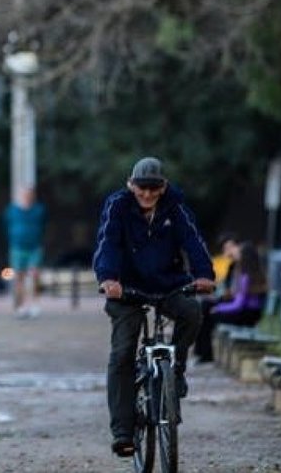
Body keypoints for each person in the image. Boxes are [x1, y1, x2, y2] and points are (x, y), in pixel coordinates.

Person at [93, 156, 216, 460]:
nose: (147, 194)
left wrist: (204, 275)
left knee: (192, 311)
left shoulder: (175, 206)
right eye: (141, 188)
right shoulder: (118, 206)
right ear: (130, 185)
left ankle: (175, 371)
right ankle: (123, 431)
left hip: (166, 284)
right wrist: (108, 278)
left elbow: (193, 241)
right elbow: (107, 242)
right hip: (126, 288)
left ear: (163, 187)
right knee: (123, 352)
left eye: (153, 188)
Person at [195, 240, 268, 362]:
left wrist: (219, 308)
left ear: (245, 257)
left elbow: (239, 305)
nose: (236, 256)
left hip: (246, 314)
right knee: (207, 308)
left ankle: (205, 354)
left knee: (209, 315)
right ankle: (203, 353)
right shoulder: (254, 274)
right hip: (250, 313)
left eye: (239, 254)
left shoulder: (246, 277)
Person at [3, 185, 48, 318]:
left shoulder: (39, 210)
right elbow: (6, 226)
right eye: (24, 194)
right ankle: (20, 306)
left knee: (35, 274)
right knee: (18, 278)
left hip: (34, 248)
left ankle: (35, 304)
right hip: (17, 248)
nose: (26, 197)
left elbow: (43, 225)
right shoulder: (11, 211)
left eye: (29, 194)